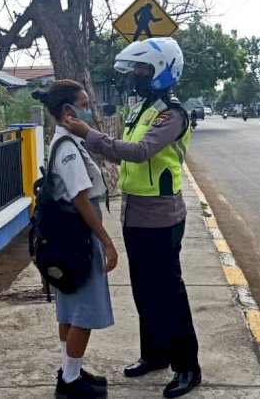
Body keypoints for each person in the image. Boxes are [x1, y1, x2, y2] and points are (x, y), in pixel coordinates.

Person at [61, 37, 201, 398]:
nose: (137, 75)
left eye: (143, 68)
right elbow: (124, 154)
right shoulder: (142, 110)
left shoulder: (172, 113)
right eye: (136, 68)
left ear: (161, 70)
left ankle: (188, 366)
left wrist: (88, 134)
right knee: (144, 289)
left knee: (169, 291)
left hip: (162, 215)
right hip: (135, 212)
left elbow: (139, 152)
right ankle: (155, 354)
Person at [32, 80, 118, 399]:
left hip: (71, 235)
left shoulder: (68, 140)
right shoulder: (67, 148)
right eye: (83, 103)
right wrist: (107, 242)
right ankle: (69, 382)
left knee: (70, 308)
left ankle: (71, 372)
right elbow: (82, 200)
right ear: (68, 110)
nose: (88, 108)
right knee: (83, 310)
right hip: (79, 236)